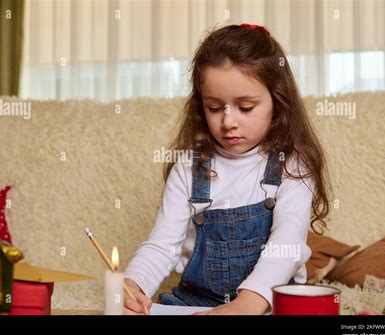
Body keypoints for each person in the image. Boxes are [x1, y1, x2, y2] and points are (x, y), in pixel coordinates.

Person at [123, 23, 330, 315]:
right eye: (215, 107)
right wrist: (134, 286)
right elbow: (162, 245)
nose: (228, 121)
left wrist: (247, 303)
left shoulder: (292, 165)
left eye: (245, 107)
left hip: (266, 304)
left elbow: (287, 244)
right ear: (200, 106)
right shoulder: (188, 167)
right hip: (194, 305)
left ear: (278, 104)